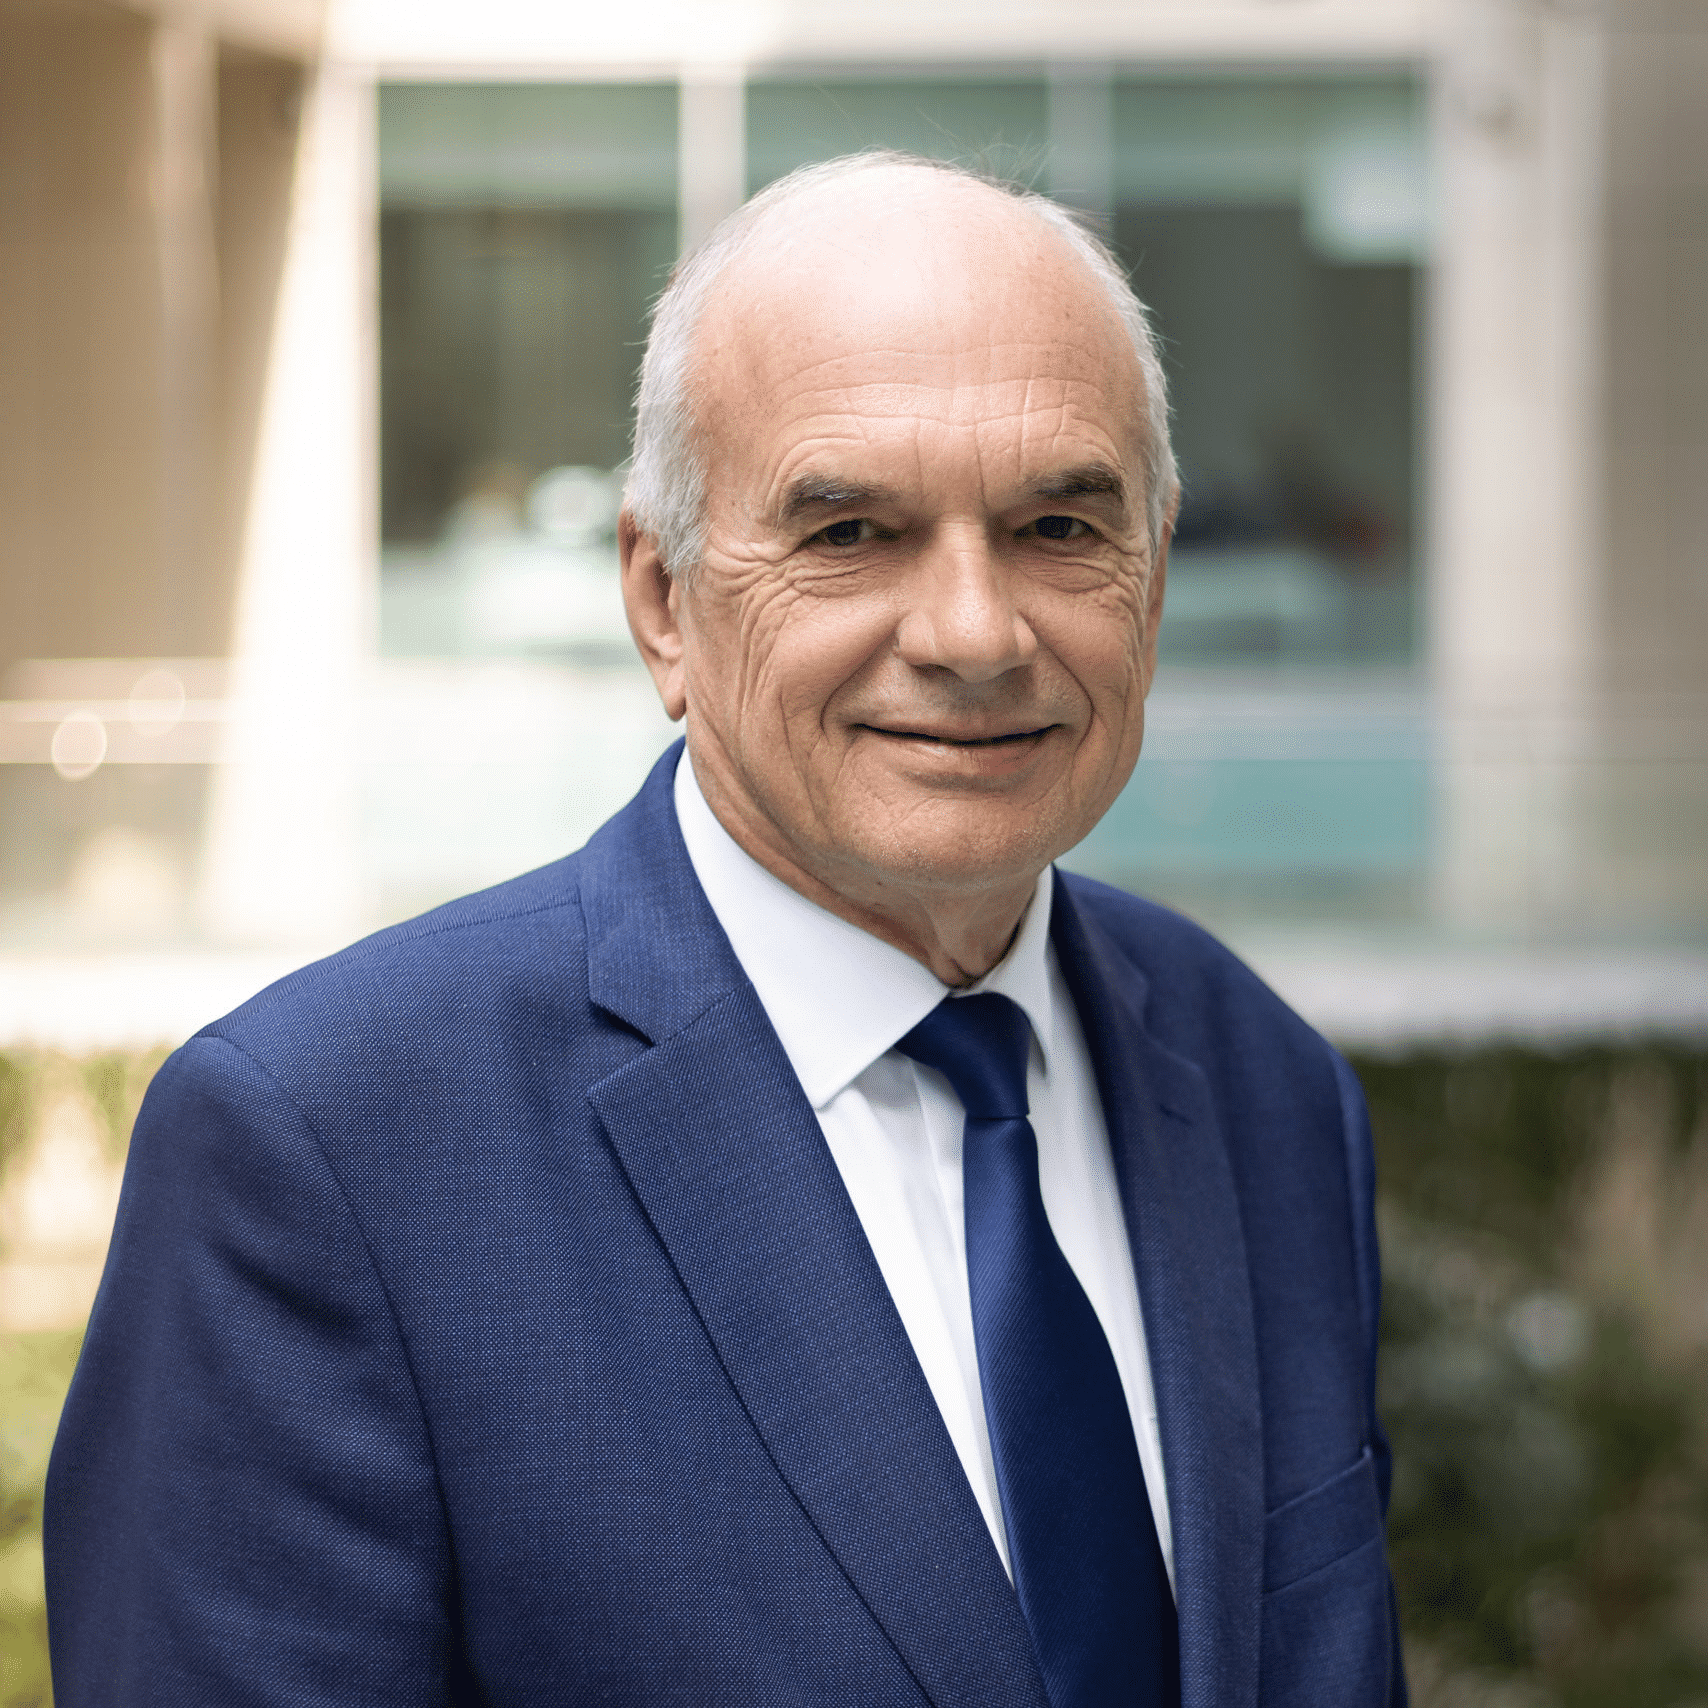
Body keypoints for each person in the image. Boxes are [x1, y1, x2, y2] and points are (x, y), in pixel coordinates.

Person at [45, 152, 1405, 1707]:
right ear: (661, 602)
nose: (975, 632)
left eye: (1055, 525)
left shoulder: (1264, 1083)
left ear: (1150, 580)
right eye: (851, 533)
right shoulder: (327, 1154)